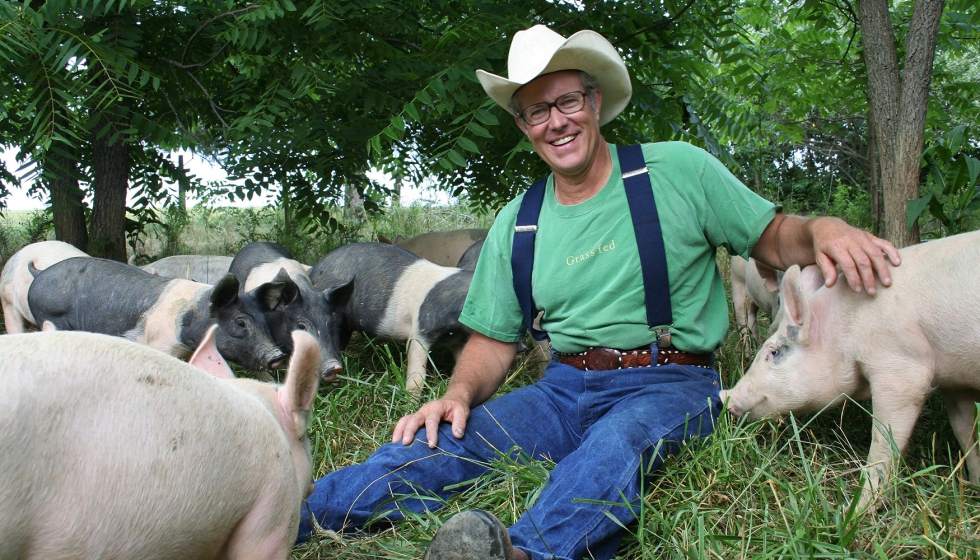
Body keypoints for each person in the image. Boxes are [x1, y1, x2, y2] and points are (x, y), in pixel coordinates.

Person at [298, 24, 900, 560]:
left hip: (671, 381)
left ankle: (521, 551)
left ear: (594, 101)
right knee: (443, 441)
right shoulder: (519, 221)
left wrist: (823, 229)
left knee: (619, 443)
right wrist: (455, 394)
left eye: (566, 101)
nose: (555, 121)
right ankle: (287, 517)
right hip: (561, 389)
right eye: (537, 111)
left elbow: (772, 238)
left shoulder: (677, 172)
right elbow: (491, 341)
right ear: (523, 125)